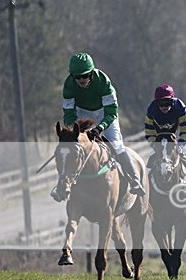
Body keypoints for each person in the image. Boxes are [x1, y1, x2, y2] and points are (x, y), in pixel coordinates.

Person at [61, 52, 145, 195]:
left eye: (85, 75)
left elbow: (111, 112)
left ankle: (134, 180)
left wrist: (101, 127)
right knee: (70, 148)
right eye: (77, 77)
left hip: (104, 113)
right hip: (82, 113)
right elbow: (68, 114)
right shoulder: (68, 85)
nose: (81, 80)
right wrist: (73, 131)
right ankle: (62, 185)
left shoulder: (103, 81)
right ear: (72, 76)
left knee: (116, 144)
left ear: (91, 73)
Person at [144, 84, 186, 190]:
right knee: (152, 156)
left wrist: (181, 144)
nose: (164, 106)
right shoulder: (151, 110)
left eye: (167, 103)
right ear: (156, 103)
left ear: (172, 101)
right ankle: (145, 183)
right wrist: (155, 145)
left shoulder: (180, 107)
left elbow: (185, 129)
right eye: (161, 104)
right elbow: (149, 132)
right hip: (159, 138)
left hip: (175, 137)